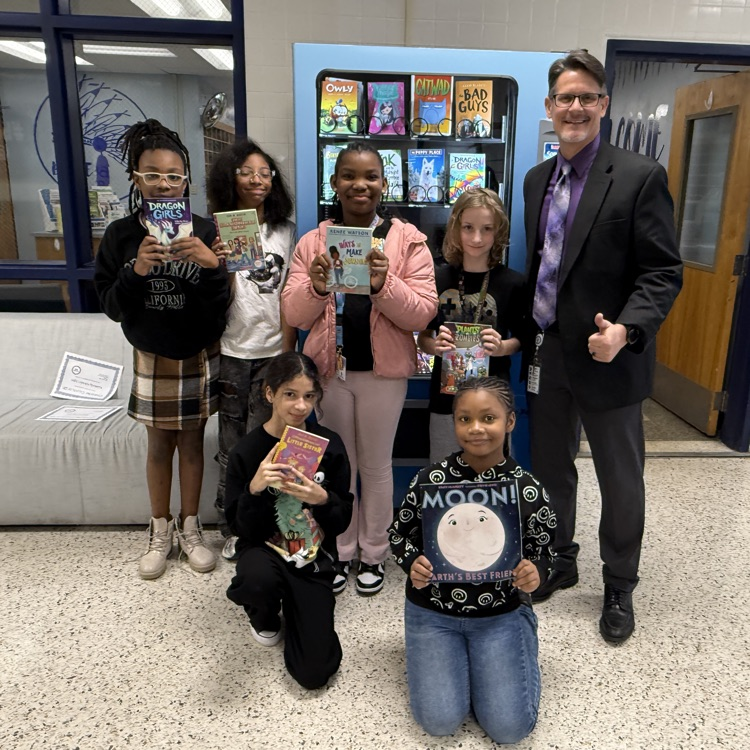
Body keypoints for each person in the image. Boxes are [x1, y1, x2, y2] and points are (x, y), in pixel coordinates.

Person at [522, 50, 682, 643]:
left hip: (609, 354)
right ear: (550, 106)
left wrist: (626, 329)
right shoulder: (536, 180)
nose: (576, 107)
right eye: (566, 97)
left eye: (588, 96)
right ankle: (561, 557)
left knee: (620, 476)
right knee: (549, 469)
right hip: (548, 354)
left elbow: (662, 271)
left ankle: (619, 582)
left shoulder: (639, 176)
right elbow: (543, 266)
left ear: (604, 105)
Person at [282, 142, 438, 596]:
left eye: (370, 176)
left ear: (383, 184)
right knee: (336, 466)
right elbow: (294, 314)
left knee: (375, 467)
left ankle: (373, 554)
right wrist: (313, 287)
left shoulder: (406, 241)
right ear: (335, 183)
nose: (359, 185)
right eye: (349, 175)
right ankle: (340, 550)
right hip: (329, 375)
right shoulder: (313, 241)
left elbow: (422, 313)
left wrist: (383, 284)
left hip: (382, 375)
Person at [94, 118, 229, 579]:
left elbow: (223, 305)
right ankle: (159, 530)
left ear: (186, 180)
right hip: (151, 351)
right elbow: (110, 305)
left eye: (174, 176)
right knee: (158, 446)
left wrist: (212, 267)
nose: (164, 185)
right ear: (135, 177)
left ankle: (190, 529)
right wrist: (135, 271)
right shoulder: (120, 236)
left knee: (192, 444)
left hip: (195, 349)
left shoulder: (208, 230)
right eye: (152, 175)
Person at [389, 377, 555, 744]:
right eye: (464, 419)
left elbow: (546, 551)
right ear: (454, 423)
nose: (476, 429)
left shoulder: (527, 489)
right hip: (433, 613)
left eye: (488, 418)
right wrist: (412, 562)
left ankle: (523, 628)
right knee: (439, 722)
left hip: (499, 614)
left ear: (509, 422)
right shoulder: (431, 481)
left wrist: (535, 574)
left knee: (509, 729)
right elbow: (398, 534)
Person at [224, 352, 353, 690]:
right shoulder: (248, 451)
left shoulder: (330, 446)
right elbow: (239, 530)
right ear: (270, 394)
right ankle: (264, 614)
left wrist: (322, 499)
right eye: (290, 395)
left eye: (309, 396)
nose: (300, 406)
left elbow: (341, 521)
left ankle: (301, 607)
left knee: (314, 673)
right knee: (255, 581)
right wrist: (254, 489)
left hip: (311, 554)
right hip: (264, 550)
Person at [206, 139, 297, 562]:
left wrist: (287, 350)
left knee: (266, 442)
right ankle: (231, 524)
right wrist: (219, 267)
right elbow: (217, 297)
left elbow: (291, 296)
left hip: (273, 351)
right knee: (230, 444)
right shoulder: (218, 227)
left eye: (265, 172)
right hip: (231, 350)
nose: (257, 179)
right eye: (247, 172)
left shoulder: (287, 231)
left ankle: (264, 522)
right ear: (231, 177)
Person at [417, 188, 524, 463]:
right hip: (446, 401)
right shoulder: (437, 278)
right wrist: (435, 347)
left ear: (498, 231)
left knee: (493, 482)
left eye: (486, 229)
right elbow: (423, 338)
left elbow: (523, 339)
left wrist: (502, 347)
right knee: (443, 477)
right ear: (455, 228)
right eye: (468, 227)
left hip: (494, 400)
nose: (477, 238)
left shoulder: (512, 283)